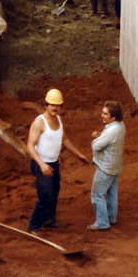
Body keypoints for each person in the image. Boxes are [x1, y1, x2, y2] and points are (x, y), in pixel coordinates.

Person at [26, 88, 88, 233]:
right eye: (52, 105)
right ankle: (33, 225)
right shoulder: (39, 122)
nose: (55, 108)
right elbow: (30, 146)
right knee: (45, 195)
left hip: (53, 163)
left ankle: (49, 220)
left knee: (54, 193)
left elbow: (64, 139)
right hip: (41, 164)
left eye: (58, 105)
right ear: (46, 105)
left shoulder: (59, 119)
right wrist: (42, 165)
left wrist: (78, 154)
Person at [88, 101, 126, 231]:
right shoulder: (120, 125)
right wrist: (100, 135)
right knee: (111, 193)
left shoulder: (111, 131)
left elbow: (96, 146)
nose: (102, 115)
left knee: (97, 195)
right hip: (115, 167)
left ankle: (102, 223)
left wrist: (95, 138)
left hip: (105, 168)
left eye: (105, 114)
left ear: (113, 117)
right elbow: (109, 139)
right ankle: (111, 218)